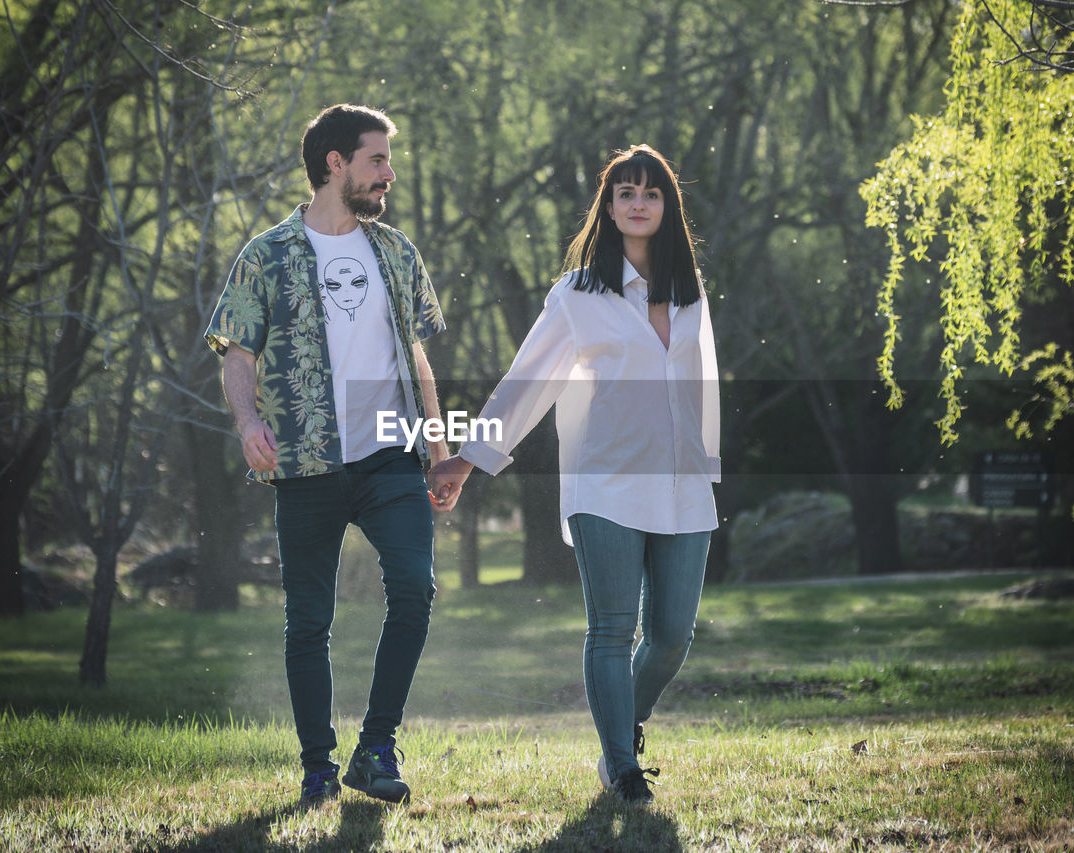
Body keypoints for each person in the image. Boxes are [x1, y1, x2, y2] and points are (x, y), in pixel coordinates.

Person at [428, 145, 720, 805]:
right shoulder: (577, 293)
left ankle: (625, 723)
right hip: (606, 483)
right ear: (609, 207)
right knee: (613, 629)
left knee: (673, 634)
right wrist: (469, 458)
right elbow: (528, 381)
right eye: (625, 193)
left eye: (651, 192)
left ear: (667, 205)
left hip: (683, 485)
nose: (639, 202)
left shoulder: (690, 290)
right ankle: (621, 764)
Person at [205, 104, 450, 807]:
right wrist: (247, 417)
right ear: (334, 163)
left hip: (389, 459)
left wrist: (440, 444)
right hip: (305, 464)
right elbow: (238, 352)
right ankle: (318, 765)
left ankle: (377, 746)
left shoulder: (396, 251)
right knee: (308, 620)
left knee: (414, 588)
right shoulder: (266, 254)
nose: (389, 174)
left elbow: (417, 355)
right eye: (377, 160)